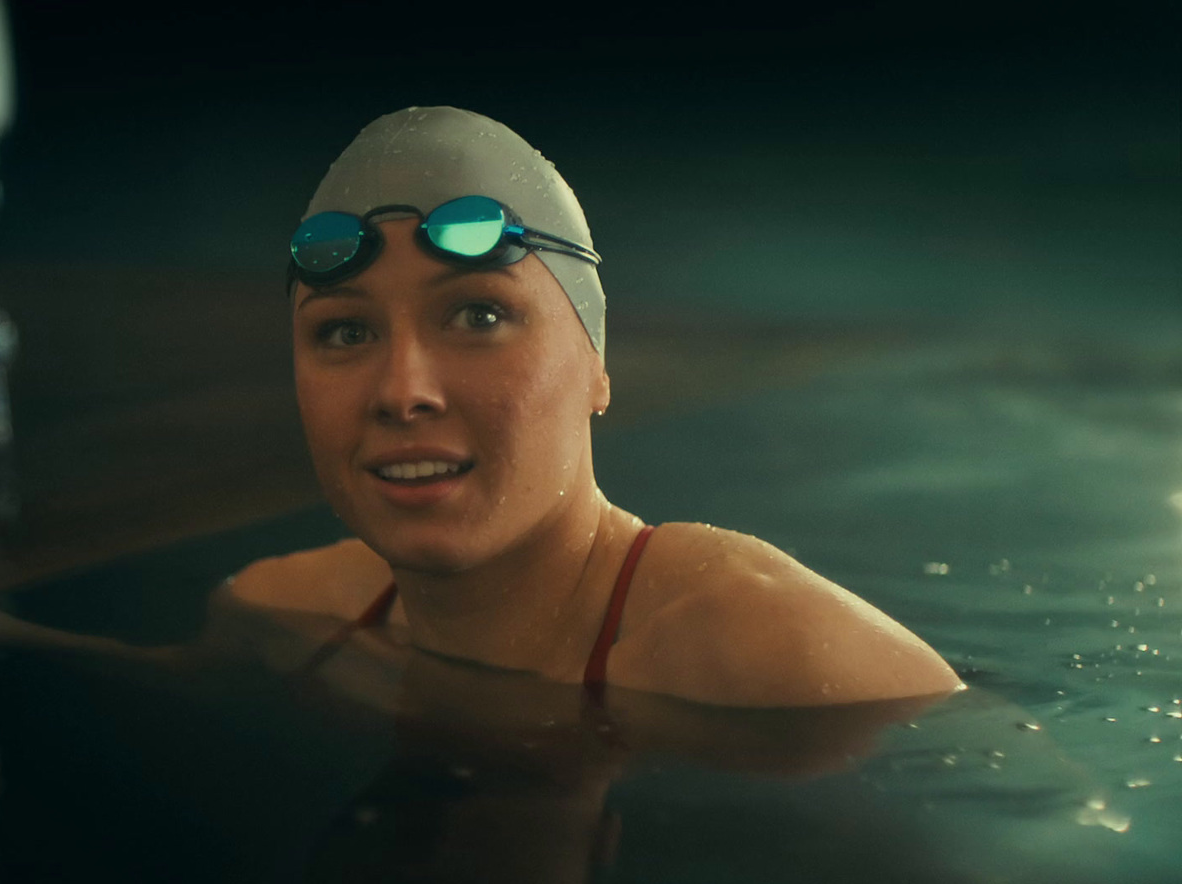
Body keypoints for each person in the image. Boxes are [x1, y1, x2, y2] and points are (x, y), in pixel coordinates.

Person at [230, 106, 962, 707]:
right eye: (345, 331)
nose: (401, 392)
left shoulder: (771, 651)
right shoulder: (283, 613)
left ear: (596, 367)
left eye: (479, 316)